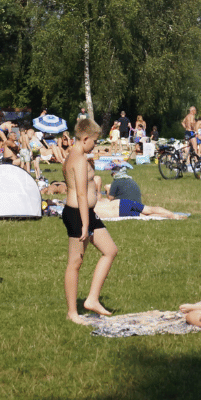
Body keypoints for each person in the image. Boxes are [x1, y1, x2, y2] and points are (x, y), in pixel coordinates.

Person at [63, 118, 118, 324]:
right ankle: (72, 312)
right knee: (75, 262)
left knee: (110, 250)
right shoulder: (77, 159)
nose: (95, 145)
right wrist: (85, 224)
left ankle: (92, 299)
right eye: (94, 141)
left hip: (86, 213)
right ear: (85, 138)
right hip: (78, 214)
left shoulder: (76, 156)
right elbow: (80, 194)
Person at [94, 196, 184, 220]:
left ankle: (171, 216)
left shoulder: (89, 211)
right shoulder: (92, 202)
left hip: (119, 212)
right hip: (121, 202)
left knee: (147, 217)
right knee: (149, 209)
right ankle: (172, 214)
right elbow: (104, 199)